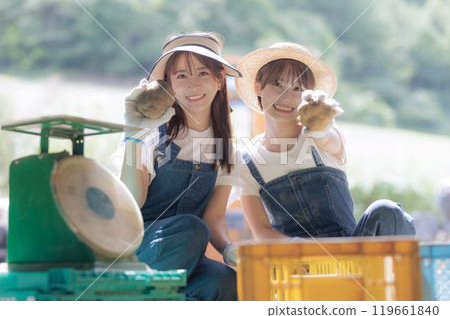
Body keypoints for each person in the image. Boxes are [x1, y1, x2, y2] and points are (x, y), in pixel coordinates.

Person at [229, 42, 415, 244]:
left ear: (308, 95)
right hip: (297, 265)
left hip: (353, 260)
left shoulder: (323, 134)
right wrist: (304, 249)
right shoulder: (247, 162)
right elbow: (262, 231)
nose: (286, 96)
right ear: (258, 86)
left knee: (387, 211)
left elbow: (326, 139)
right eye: (277, 84)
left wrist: (320, 127)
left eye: (297, 87)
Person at [120, 32, 242, 300]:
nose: (193, 85)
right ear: (169, 84)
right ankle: (126, 297)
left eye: (202, 73)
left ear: (220, 80)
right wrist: (133, 135)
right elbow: (130, 202)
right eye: (182, 76)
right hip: (137, 251)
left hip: (186, 254)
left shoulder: (228, 148)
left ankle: (158, 300)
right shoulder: (152, 131)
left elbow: (214, 217)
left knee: (227, 283)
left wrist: (227, 248)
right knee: (191, 227)